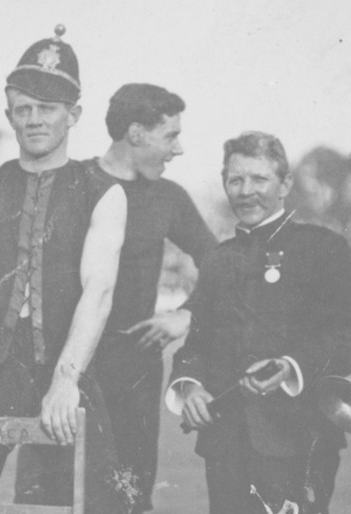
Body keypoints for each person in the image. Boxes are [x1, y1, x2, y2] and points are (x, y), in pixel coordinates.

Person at [0, 25, 130, 512]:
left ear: (74, 114)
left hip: (64, 371)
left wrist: (66, 381)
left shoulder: (102, 191)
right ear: (10, 115)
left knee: (64, 504)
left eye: (47, 108)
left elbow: (99, 291)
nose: (34, 120)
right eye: (23, 109)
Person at [166, 131, 349, 514]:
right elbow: (195, 344)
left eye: (259, 179)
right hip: (225, 443)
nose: (246, 191)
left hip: (300, 440)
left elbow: (342, 334)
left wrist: (289, 366)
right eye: (236, 180)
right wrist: (191, 388)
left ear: (284, 185)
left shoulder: (324, 248)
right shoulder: (218, 258)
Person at [89, 83, 217, 512]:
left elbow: (222, 265)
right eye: (170, 136)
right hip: (69, 364)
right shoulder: (75, 182)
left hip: (135, 362)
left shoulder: (168, 197)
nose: (177, 149)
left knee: (131, 497)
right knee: (60, 488)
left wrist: (186, 315)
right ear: (136, 133)